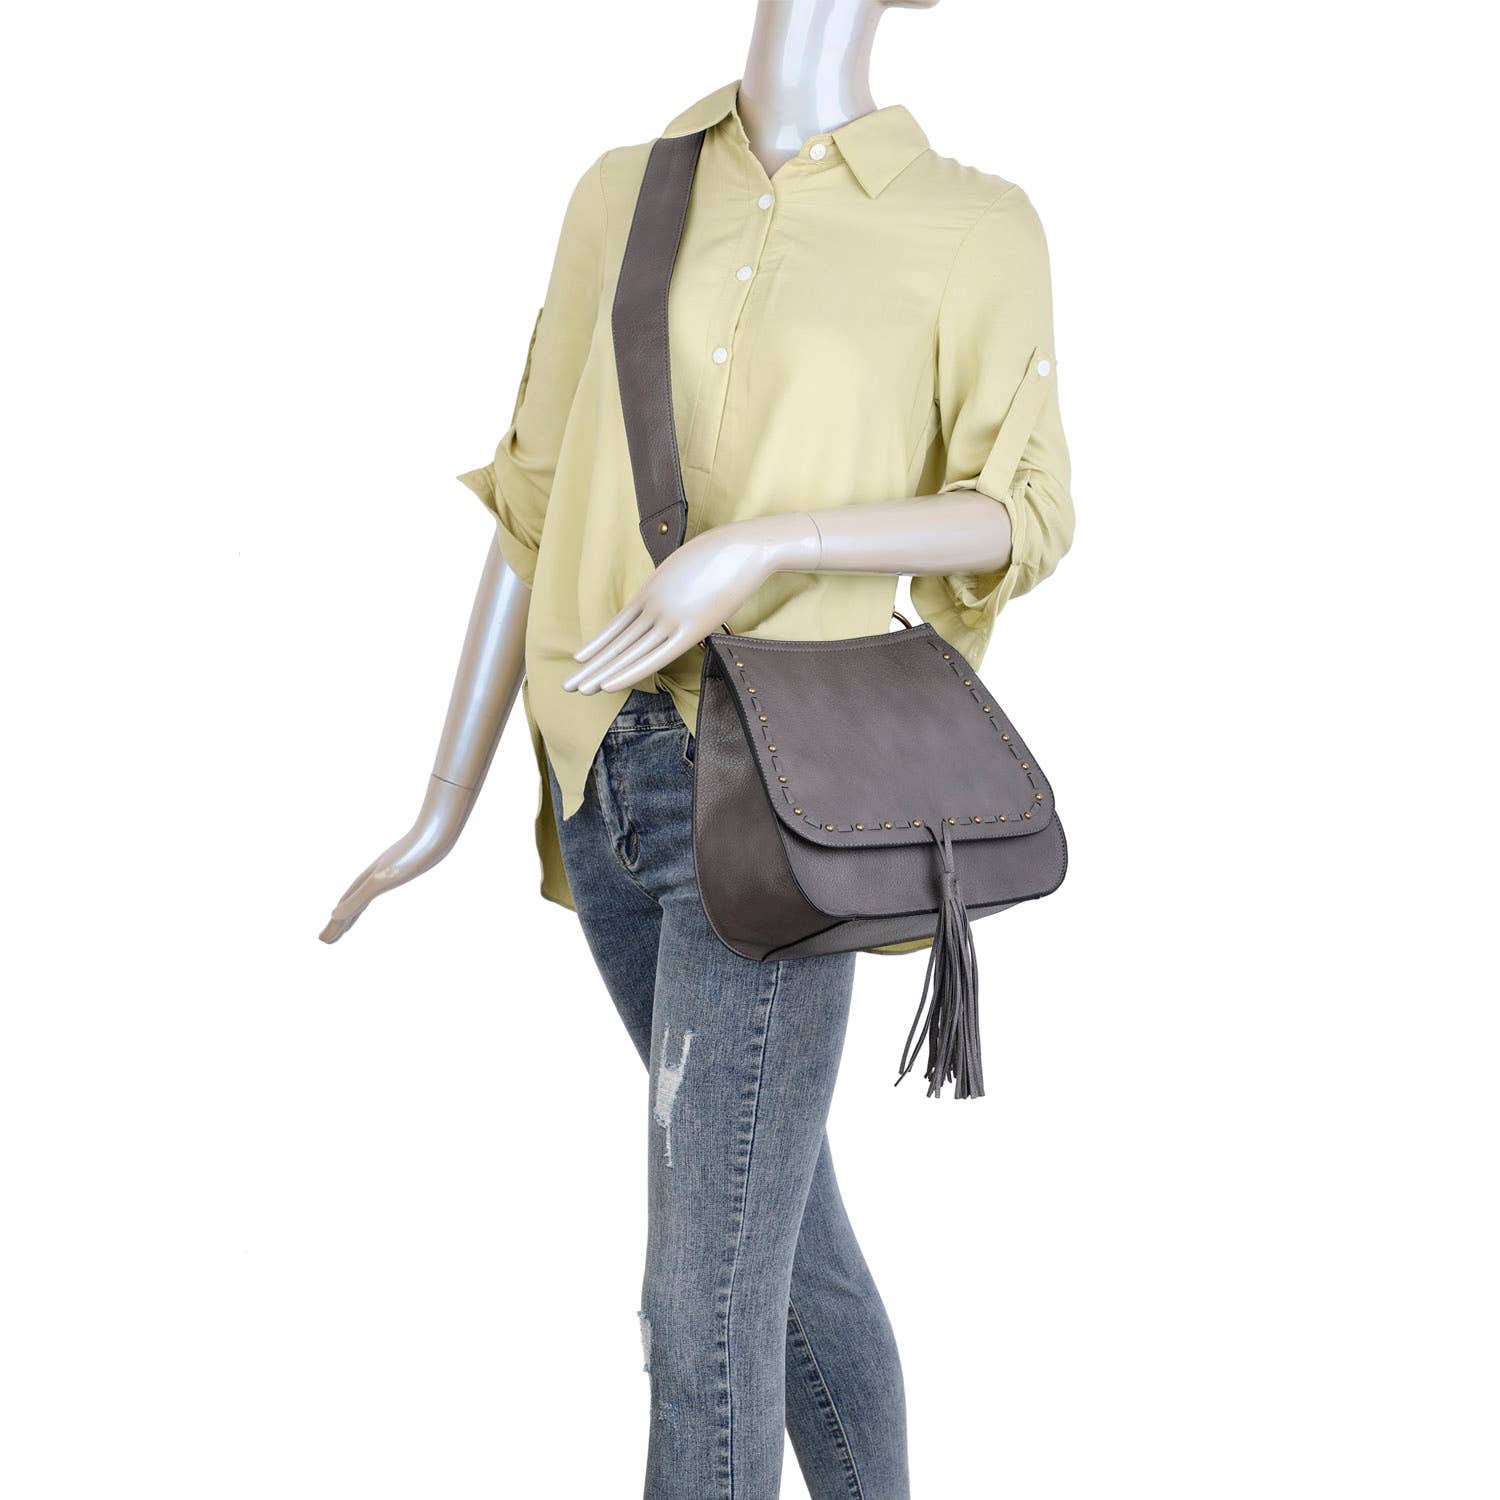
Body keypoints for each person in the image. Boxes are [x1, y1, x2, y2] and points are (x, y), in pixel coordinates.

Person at [324, 3, 1074, 1494]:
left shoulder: (972, 224)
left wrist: (770, 544)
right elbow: (536, 498)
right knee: (780, 1263)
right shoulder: (626, 188)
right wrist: (443, 798)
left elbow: (1024, 513)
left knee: (702, 1311)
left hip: (780, 805)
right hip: (598, 773)